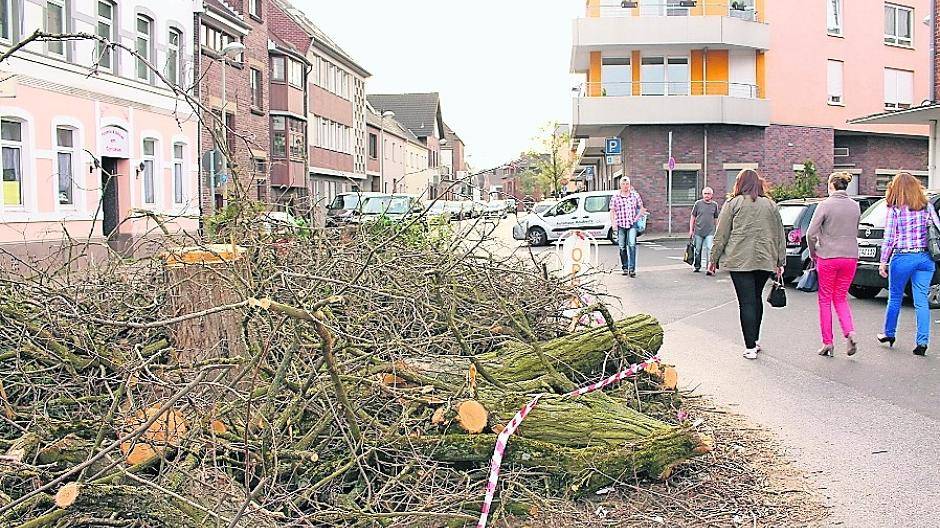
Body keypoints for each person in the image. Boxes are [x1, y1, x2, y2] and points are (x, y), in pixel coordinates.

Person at [708, 169, 786, 360]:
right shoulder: (770, 205)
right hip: (765, 259)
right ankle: (756, 340)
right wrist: (780, 261)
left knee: (746, 302)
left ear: (740, 184)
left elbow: (721, 234)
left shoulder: (733, 204)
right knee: (756, 298)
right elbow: (779, 235)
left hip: (739, 260)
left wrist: (713, 259)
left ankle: (750, 346)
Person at [876, 172, 940, 356]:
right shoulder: (926, 206)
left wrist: (883, 262)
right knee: (921, 301)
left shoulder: (894, 209)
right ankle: (922, 342)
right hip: (925, 259)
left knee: (895, 297)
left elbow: (889, 238)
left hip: (902, 257)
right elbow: (937, 229)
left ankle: (889, 334)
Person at [805, 172, 860, 357]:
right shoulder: (855, 206)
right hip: (850, 257)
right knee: (841, 297)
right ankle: (850, 332)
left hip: (828, 257)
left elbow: (810, 233)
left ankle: (828, 342)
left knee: (825, 299)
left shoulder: (825, 205)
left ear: (831, 186)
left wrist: (813, 252)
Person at [609, 177, 646, 277]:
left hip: (631, 224)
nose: (625, 186)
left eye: (627, 184)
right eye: (623, 184)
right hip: (621, 224)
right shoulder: (615, 197)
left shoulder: (635, 195)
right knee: (622, 247)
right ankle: (625, 267)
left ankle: (632, 268)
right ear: (620, 185)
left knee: (632, 244)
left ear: (629, 185)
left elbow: (642, 209)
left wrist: (636, 218)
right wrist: (613, 224)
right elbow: (612, 211)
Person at [689, 187, 719, 275]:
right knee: (697, 250)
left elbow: (716, 218)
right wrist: (691, 229)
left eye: (708, 194)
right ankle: (697, 266)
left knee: (710, 249)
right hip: (698, 231)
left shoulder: (714, 205)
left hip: (710, 231)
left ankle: (708, 268)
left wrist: (717, 230)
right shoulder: (698, 204)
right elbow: (693, 217)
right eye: (705, 193)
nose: (707, 195)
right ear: (702, 194)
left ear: (712, 195)